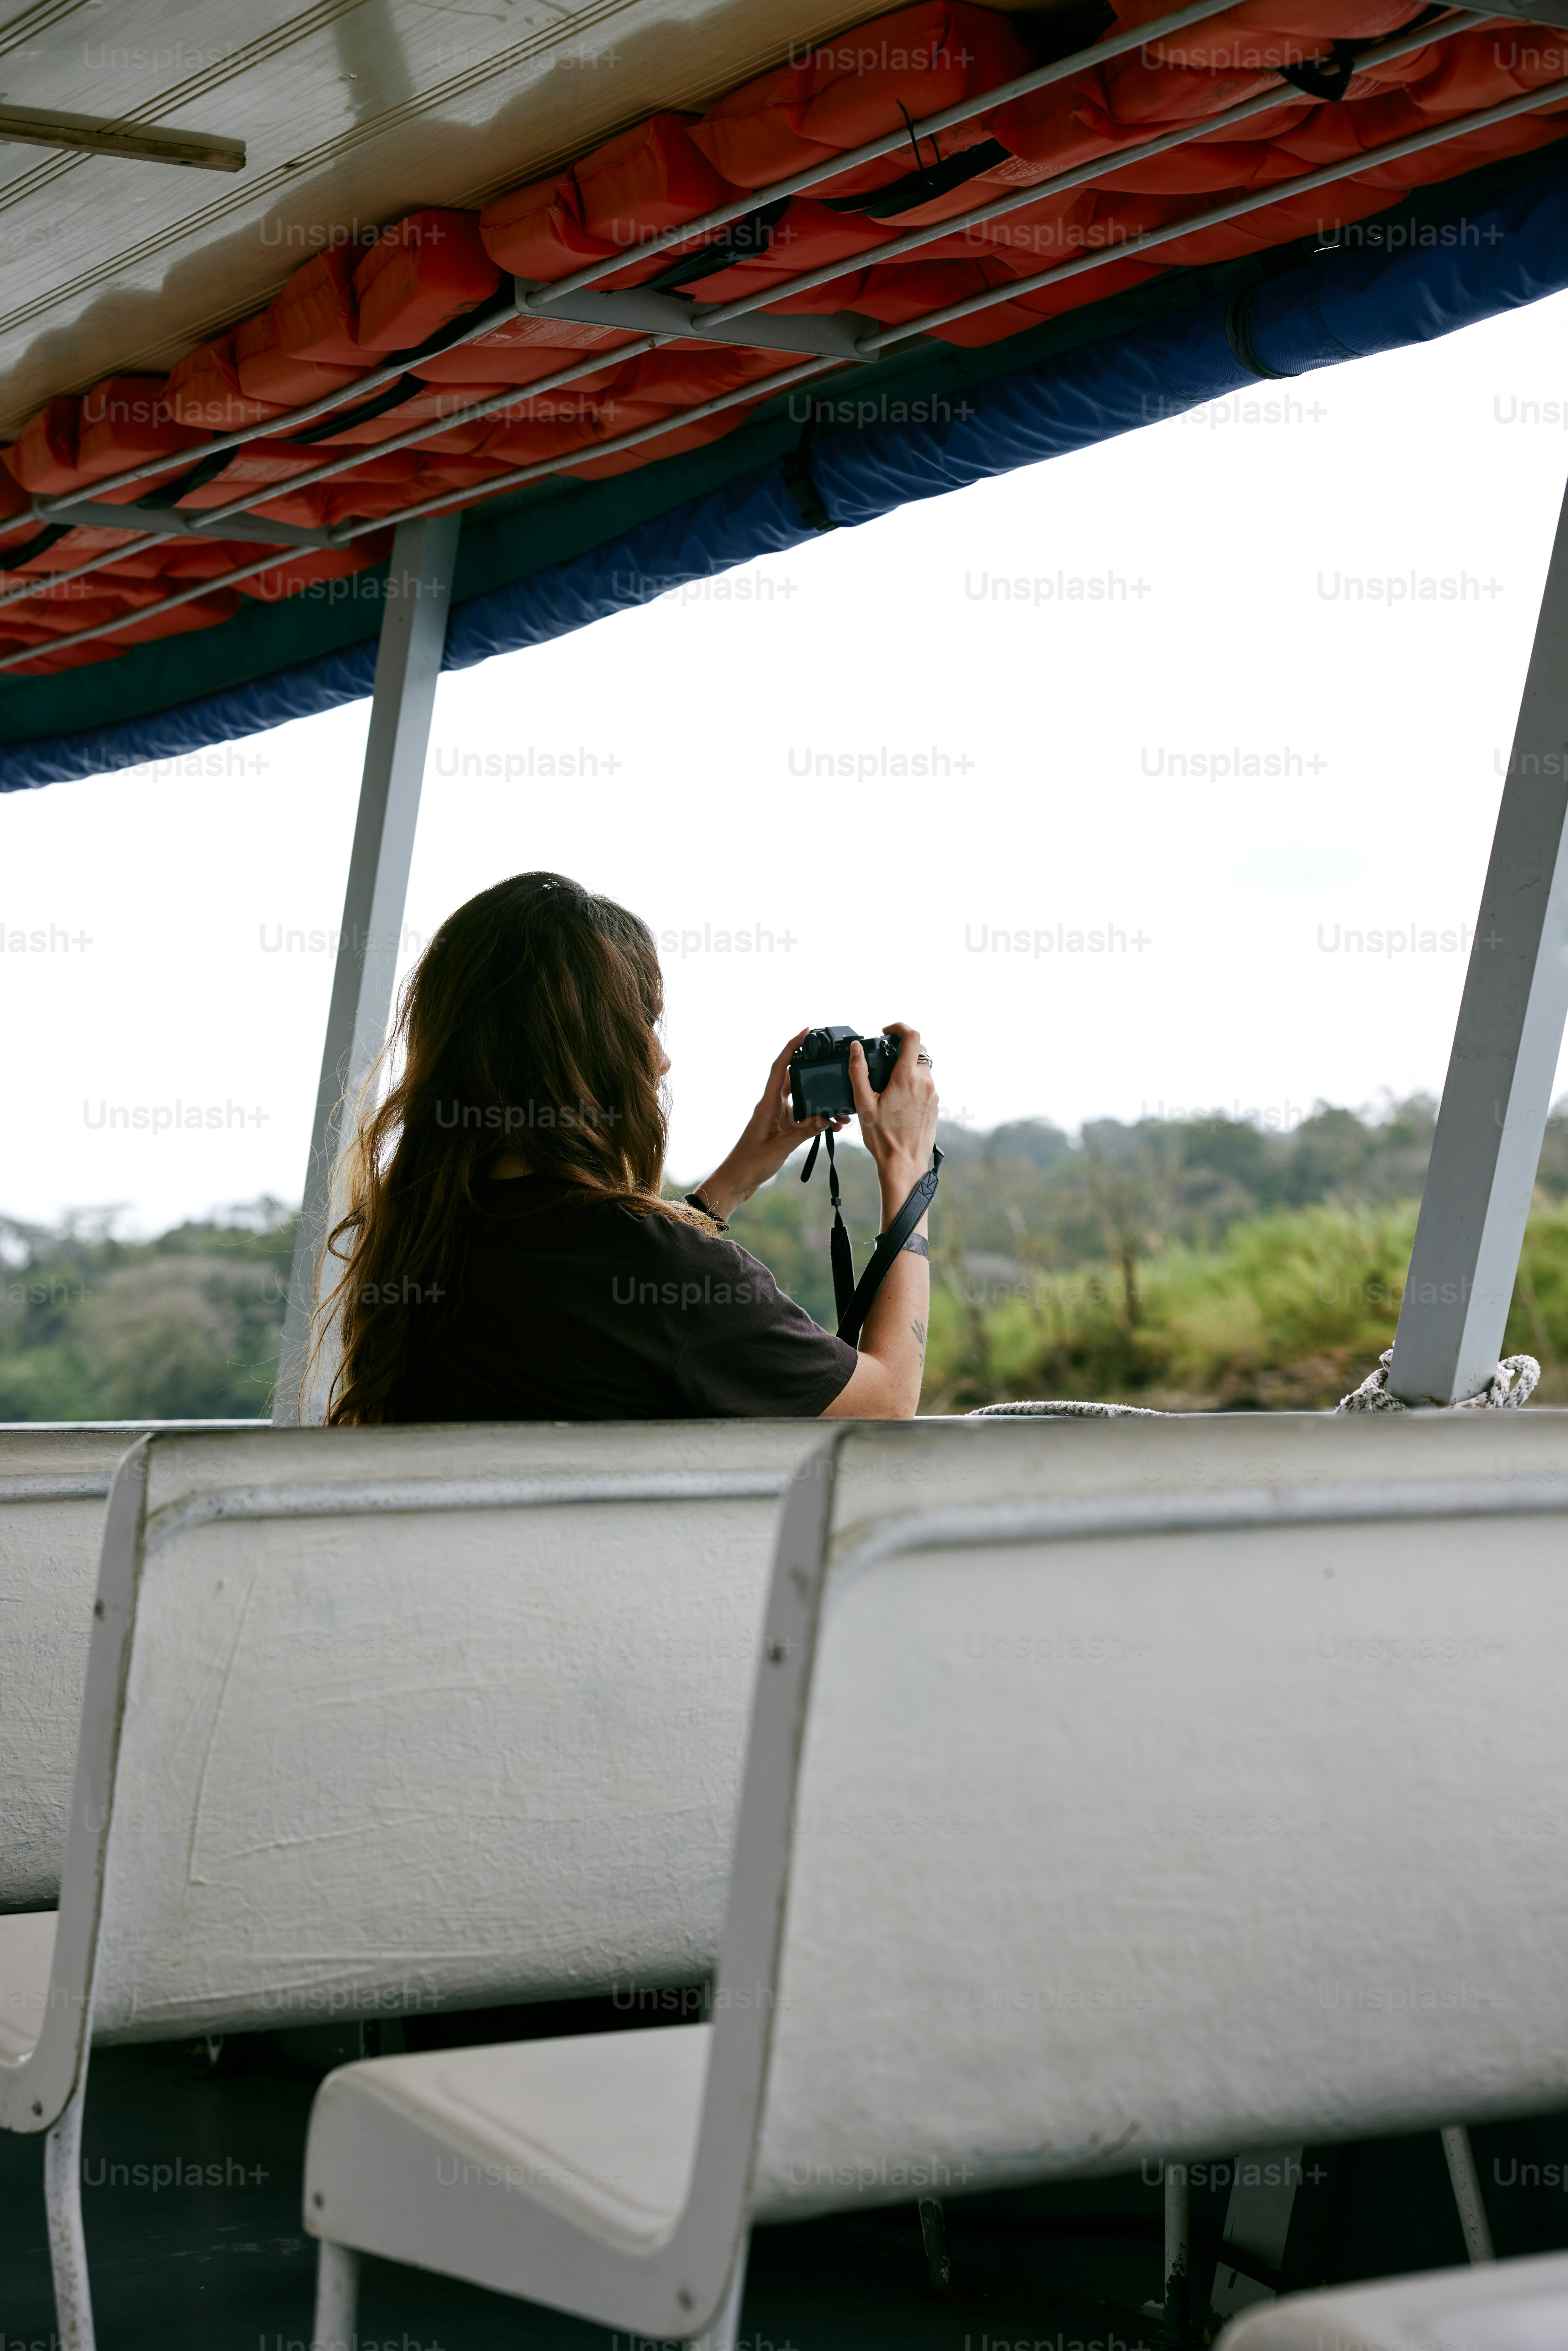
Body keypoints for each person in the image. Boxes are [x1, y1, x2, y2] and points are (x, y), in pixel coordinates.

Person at [314, 870, 938, 1424]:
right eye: (642, 1021)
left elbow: (603, 1282)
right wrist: (906, 1175)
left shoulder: (420, 1243)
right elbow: (884, 1403)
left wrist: (731, 1184)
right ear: (584, 1053)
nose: (661, 1060)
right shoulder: (662, 1269)